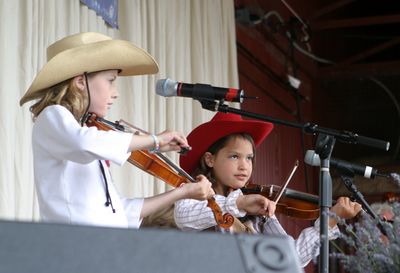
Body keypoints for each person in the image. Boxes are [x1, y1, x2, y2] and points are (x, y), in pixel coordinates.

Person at [19, 32, 213, 229]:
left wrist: (182, 192)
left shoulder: (86, 133)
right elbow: (85, 143)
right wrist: (154, 140)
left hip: (102, 246)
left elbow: (119, 212)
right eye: (110, 80)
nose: (116, 92)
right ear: (80, 82)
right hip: (73, 246)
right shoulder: (53, 116)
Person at [174, 112, 362, 267]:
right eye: (234, 157)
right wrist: (239, 203)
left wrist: (328, 221)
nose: (244, 166)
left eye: (249, 158)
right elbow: (183, 216)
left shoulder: (256, 211)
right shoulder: (194, 192)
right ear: (210, 159)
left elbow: (290, 258)